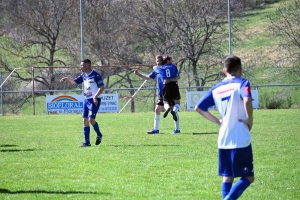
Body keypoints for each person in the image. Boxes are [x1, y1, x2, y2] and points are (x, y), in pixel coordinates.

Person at [194, 55, 254, 200]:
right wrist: (249, 120)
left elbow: (199, 108)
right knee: (249, 177)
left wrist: (219, 122)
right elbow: (246, 99)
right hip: (239, 137)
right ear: (240, 69)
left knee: (228, 177)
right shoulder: (242, 82)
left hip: (223, 138)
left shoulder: (216, 88)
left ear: (224, 70)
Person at [60, 59, 105, 147]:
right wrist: (67, 79)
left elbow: (102, 87)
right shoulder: (83, 75)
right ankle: (87, 142)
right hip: (86, 100)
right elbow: (75, 81)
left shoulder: (95, 75)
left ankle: (99, 134)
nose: (80, 67)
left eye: (81, 65)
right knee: (85, 120)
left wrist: (95, 97)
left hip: (94, 100)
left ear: (87, 66)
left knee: (91, 120)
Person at [134, 55, 180, 134]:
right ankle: (156, 129)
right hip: (161, 93)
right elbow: (149, 77)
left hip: (168, 91)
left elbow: (176, 77)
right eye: (157, 61)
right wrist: (139, 74)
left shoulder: (161, 68)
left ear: (163, 61)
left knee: (173, 110)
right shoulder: (157, 70)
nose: (159, 62)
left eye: (160, 61)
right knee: (157, 110)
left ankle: (177, 129)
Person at [160, 56, 181, 124]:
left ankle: (167, 108)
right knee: (177, 102)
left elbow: (155, 68)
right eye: (171, 60)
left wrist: (167, 80)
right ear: (168, 60)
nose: (172, 61)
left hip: (166, 86)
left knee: (165, 102)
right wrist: (171, 80)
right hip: (174, 85)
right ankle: (174, 111)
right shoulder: (173, 66)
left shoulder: (160, 67)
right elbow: (178, 77)